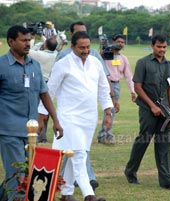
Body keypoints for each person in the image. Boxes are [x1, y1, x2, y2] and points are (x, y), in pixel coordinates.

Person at [38, 31, 112, 201]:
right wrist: (42, 116)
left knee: (74, 153)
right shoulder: (63, 64)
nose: (85, 51)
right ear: (72, 47)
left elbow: (103, 89)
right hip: (68, 118)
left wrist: (108, 112)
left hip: (89, 118)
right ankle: (89, 195)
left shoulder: (95, 63)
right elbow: (50, 92)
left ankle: (66, 193)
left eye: (87, 47)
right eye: (81, 48)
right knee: (79, 155)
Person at [0, 25, 63, 201]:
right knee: (17, 173)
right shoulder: (1, 65)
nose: (28, 44)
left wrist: (56, 120)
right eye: (24, 40)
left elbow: (44, 94)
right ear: (11, 41)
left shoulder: (34, 65)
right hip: (8, 130)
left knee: (27, 172)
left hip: (31, 132)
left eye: (29, 40)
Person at [57, 21, 116, 190]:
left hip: (88, 115)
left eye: (85, 34)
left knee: (78, 150)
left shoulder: (95, 56)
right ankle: (88, 185)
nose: (85, 48)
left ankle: (64, 185)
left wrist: (110, 105)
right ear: (72, 38)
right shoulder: (63, 58)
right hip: (69, 114)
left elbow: (103, 81)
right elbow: (53, 86)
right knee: (78, 150)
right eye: (78, 34)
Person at [124, 34, 170, 191]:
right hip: (147, 109)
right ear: (152, 46)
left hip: (165, 111)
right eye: (159, 47)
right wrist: (152, 106)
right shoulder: (143, 63)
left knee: (164, 144)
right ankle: (130, 171)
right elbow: (137, 87)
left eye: (164, 47)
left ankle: (167, 180)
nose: (162, 50)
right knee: (143, 140)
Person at [97, 33, 136, 145]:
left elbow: (128, 75)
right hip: (104, 84)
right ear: (112, 41)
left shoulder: (123, 58)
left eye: (122, 42)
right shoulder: (105, 55)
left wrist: (132, 90)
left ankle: (104, 134)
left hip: (116, 85)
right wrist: (103, 53)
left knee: (111, 110)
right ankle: (106, 135)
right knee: (109, 109)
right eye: (118, 41)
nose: (120, 44)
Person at [29, 37, 58, 143]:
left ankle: (36, 133)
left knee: (37, 110)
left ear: (45, 45)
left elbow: (29, 50)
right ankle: (43, 135)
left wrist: (33, 40)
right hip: (50, 84)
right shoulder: (56, 55)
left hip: (39, 83)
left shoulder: (39, 55)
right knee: (46, 110)